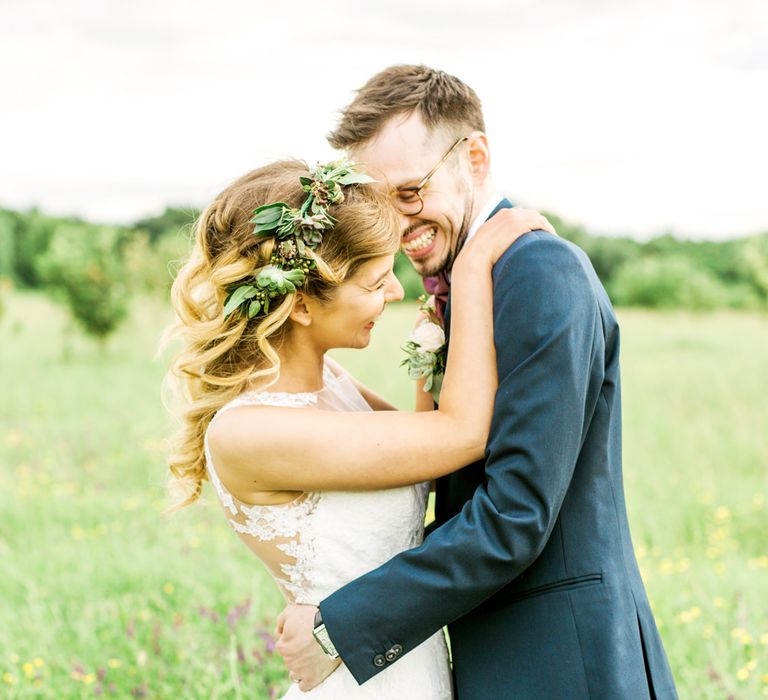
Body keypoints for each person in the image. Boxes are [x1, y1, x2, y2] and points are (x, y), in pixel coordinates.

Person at [275, 65, 679, 699]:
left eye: (410, 192)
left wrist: (338, 629)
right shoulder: (471, 281)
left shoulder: (540, 270)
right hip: (499, 655)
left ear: (476, 156)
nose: (398, 224)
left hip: (562, 662)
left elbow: (515, 513)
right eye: (379, 203)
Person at [163, 158, 552, 698]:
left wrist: (435, 336)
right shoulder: (249, 432)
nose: (394, 290)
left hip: (405, 664)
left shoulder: (333, 385)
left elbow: (428, 451)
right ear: (299, 305)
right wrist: (470, 266)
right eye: (375, 281)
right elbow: (462, 434)